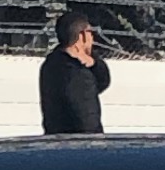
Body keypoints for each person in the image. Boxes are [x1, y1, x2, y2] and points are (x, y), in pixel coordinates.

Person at [38, 8, 111, 136]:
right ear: (82, 35)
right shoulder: (78, 75)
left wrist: (93, 63)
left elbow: (103, 79)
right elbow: (87, 120)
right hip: (77, 146)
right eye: (90, 32)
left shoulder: (50, 65)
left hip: (53, 140)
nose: (92, 38)